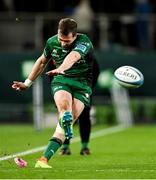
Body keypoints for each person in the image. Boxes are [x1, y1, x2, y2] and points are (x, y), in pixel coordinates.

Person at [12, 18, 94, 168]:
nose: (63, 43)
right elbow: (42, 61)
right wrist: (27, 83)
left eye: (67, 41)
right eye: (60, 39)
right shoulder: (51, 42)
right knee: (64, 109)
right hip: (61, 80)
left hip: (82, 84)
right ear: (57, 33)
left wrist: (62, 67)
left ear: (75, 36)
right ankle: (65, 117)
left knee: (67, 121)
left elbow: (74, 56)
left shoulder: (84, 41)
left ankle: (43, 160)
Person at [59, 57, 99, 155]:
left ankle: (85, 147)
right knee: (65, 116)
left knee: (84, 117)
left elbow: (96, 72)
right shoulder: (58, 54)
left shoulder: (87, 54)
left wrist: (88, 88)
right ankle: (65, 147)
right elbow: (52, 73)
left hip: (83, 90)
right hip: (65, 89)